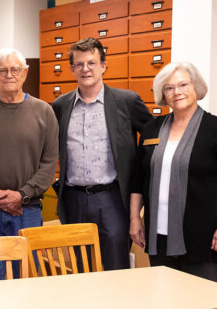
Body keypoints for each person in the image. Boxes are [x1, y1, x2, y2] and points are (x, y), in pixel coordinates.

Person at [52, 38, 152, 271]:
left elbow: (152, 141)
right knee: (80, 268)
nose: (85, 69)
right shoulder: (60, 105)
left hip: (112, 199)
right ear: (72, 69)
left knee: (115, 267)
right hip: (73, 199)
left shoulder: (127, 101)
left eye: (92, 63)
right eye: (79, 64)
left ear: (104, 66)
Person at [0, 47, 58, 278]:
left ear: (25, 73)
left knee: (27, 276)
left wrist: (22, 194)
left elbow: (49, 164)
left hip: (28, 210)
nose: (9, 75)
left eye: (14, 69)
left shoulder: (44, 111)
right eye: (2, 71)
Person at [129, 62, 217, 282]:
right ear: (163, 94)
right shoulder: (152, 128)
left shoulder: (213, 129)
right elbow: (138, 178)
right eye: (169, 88)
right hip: (158, 235)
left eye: (183, 85)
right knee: (163, 297)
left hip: (203, 235)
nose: (177, 92)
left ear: (196, 87)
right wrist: (134, 219)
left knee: (200, 299)